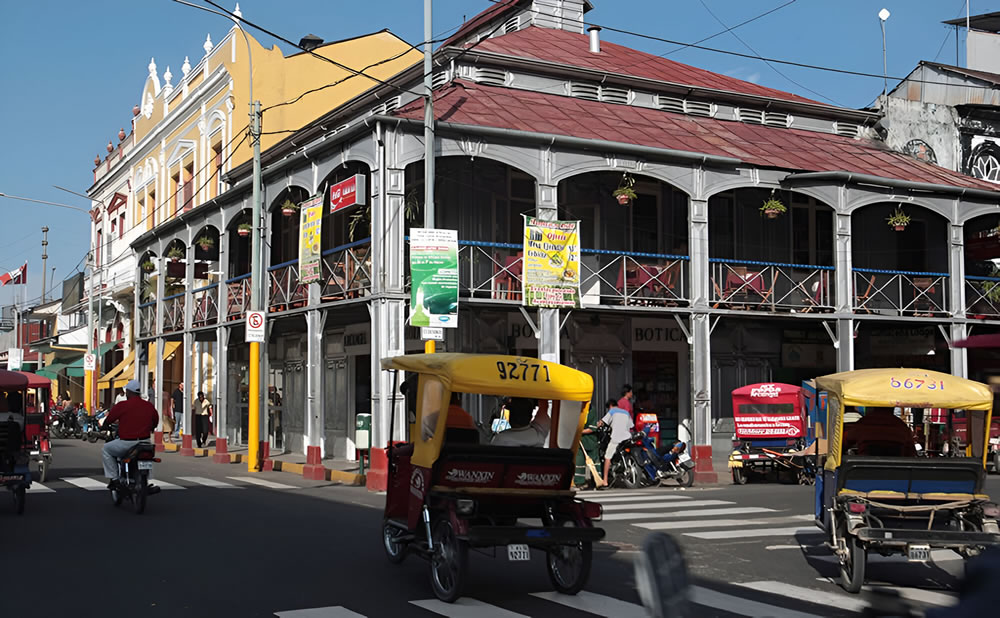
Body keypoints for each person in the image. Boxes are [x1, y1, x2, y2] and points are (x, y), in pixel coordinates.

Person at [100, 380, 159, 489]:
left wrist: (104, 426)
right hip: (145, 442)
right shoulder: (148, 406)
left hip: (127, 443)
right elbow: (155, 421)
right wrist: (150, 428)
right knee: (148, 457)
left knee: (106, 449)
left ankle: (114, 479)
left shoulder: (123, 405)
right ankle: (146, 480)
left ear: (128, 392)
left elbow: (110, 418)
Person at [842, 406, 917, 457]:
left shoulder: (864, 423)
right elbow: (911, 453)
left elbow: (844, 442)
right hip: (895, 473)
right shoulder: (901, 426)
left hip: (865, 470)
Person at [598, 398, 634, 486]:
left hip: (616, 437)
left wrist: (597, 425)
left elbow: (601, 423)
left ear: (610, 406)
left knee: (607, 456)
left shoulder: (612, 411)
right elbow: (631, 425)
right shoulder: (626, 412)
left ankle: (605, 480)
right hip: (627, 437)